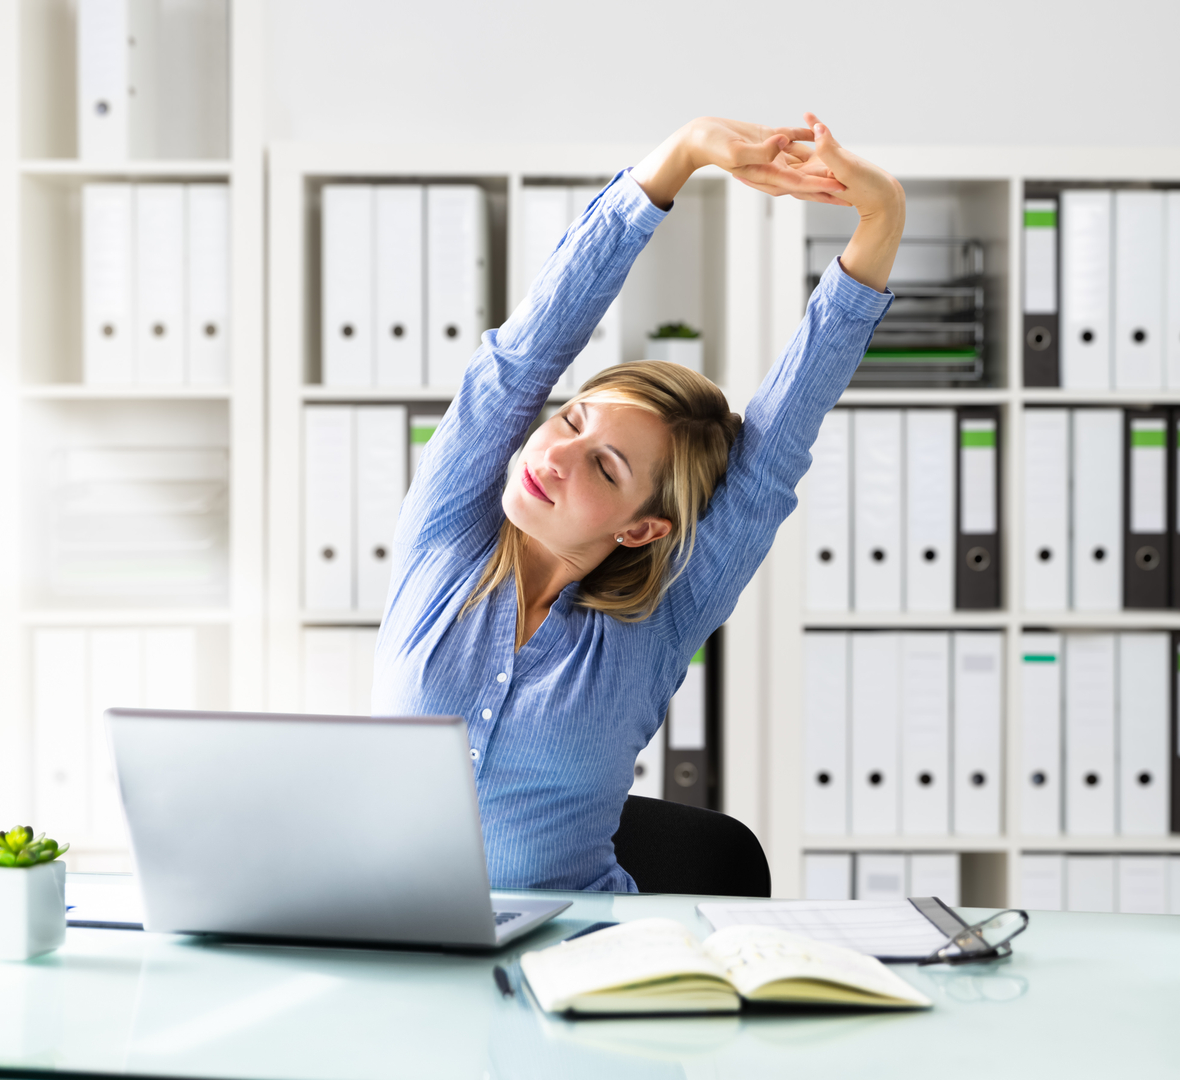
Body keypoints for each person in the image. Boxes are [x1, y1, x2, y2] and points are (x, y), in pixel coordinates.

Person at [373, 113, 905, 892]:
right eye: (571, 419)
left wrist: (882, 212)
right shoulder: (446, 539)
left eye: (606, 466)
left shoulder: (655, 626)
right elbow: (522, 359)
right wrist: (682, 155)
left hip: (580, 970)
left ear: (644, 527)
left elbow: (773, 457)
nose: (554, 455)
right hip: (391, 949)